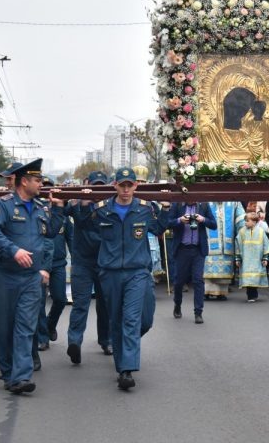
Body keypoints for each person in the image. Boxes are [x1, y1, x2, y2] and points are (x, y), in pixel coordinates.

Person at [0, 159, 65, 394]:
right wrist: (14, 250)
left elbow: (50, 232)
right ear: (24, 182)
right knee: (5, 326)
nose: (41, 184)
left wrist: (58, 208)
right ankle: (8, 373)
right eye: (37, 180)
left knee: (25, 327)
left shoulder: (41, 207)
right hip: (5, 275)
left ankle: (21, 376)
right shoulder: (5, 206)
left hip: (30, 278)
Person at [87, 167, 171, 390]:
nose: (125, 189)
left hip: (137, 272)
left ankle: (127, 356)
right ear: (114, 185)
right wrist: (74, 204)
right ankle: (125, 370)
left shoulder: (145, 209)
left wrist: (167, 208)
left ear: (136, 186)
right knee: (118, 319)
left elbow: (159, 228)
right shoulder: (101, 210)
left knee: (139, 320)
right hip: (111, 273)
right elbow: (85, 227)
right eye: (121, 185)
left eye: (129, 185)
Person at [66, 171, 111, 364]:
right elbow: (78, 220)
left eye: (102, 186)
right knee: (80, 304)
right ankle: (74, 342)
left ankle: (106, 340)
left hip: (104, 263)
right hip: (82, 263)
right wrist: (83, 203)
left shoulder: (110, 205)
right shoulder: (77, 203)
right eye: (95, 185)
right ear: (88, 185)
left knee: (105, 305)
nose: (97, 190)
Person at [36, 177, 73, 352]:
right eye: (43, 189)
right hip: (39, 264)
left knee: (60, 299)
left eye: (50, 190)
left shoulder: (62, 214)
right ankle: (42, 338)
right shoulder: (35, 212)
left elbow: (71, 240)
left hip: (58, 263)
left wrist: (77, 263)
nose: (47, 194)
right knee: (40, 302)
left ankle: (50, 325)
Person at [168, 200, 217, 323]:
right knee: (179, 281)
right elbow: (167, 223)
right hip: (182, 249)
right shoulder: (177, 204)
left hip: (198, 250)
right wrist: (180, 220)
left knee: (198, 280)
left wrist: (203, 219)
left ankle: (198, 312)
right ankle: (177, 304)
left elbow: (214, 224)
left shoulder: (204, 205)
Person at [203, 201, 245, 300]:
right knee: (209, 269)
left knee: (224, 271)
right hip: (209, 242)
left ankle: (221, 292)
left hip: (227, 242)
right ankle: (207, 292)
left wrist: (244, 229)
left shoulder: (233, 202)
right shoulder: (206, 202)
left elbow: (241, 219)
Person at [235, 211, 269, 302]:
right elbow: (238, 246)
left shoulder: (261, 232)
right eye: (245, 221)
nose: (245, 223)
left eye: (247, 221)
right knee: (248, 279)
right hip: (246, 261)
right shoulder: (242, 232)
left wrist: (265, 258)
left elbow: (266, 245)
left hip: (257, 260)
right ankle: (251, 295)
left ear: (254, 222)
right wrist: (237, 258)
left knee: (255, 278)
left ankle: (253, 294)